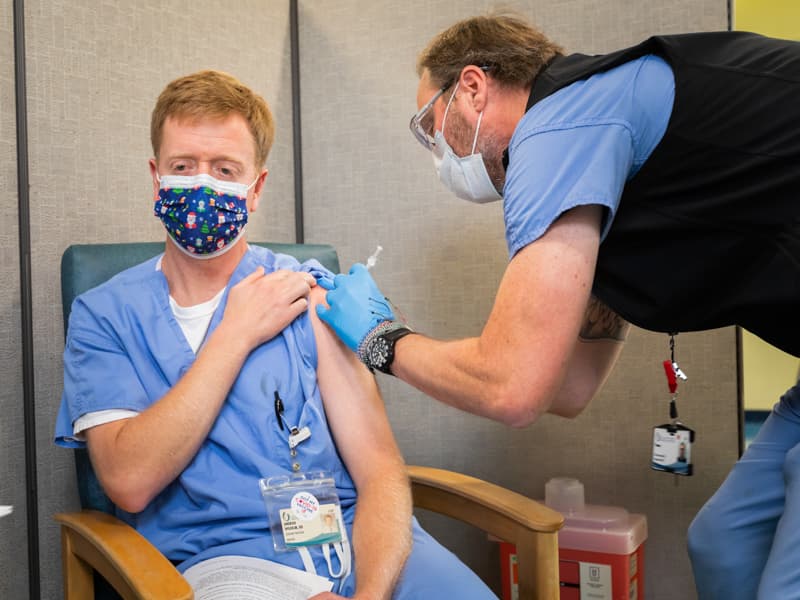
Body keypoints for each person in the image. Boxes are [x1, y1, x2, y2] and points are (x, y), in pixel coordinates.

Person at [314, 14, 800, 599]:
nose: (437, 152)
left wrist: (381, 340)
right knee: (722, 542)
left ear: (471, 87)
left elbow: (512, 390)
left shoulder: (559, 126)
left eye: (429, 127)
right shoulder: (597, 161)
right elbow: (567, 389)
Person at [54, 69, 496, 599]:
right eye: (183, 166)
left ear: (256, 187)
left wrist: (371, 595)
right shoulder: (105, 315)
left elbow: (377, 469)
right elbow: (129, 481)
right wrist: (235, 332)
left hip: (360, 542)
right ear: (156, 177)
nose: (202, 185)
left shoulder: (304, 291)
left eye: (224, 169)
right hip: (225, 560)